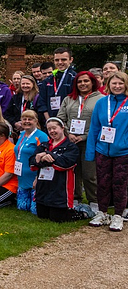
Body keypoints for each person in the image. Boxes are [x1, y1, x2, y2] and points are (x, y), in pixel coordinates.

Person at [86, 71, 128, 231]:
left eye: (120, 83)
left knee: (120, 184)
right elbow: (94, 128)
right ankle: (102, 212)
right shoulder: (102, 103)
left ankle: (118, 215)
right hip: (102, 149)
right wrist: (90, 152)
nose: (117, 86)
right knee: (102, 183)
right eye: (114, 83)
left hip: (123, 151)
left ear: (125, 84)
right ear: (108, 85)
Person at [57, 71, 101, 210]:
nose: (83, 84)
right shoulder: (69, 99)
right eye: (80, 82)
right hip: (71, 141)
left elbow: (102, 122)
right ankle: (75, 198)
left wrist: (84, 136)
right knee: (73, 172)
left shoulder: (101, 99)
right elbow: (60, 119)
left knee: (89, 173)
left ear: (92, 82)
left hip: (90, 141)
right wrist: (68, 133)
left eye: (86, 81)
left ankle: (94, 201)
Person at [30, 118, 83, 222]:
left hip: (60, 190)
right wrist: (44, 158)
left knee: (57, 218)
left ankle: (83, 212)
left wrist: (47, 155)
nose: (52, 131)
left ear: (62, 128)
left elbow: (65, 164)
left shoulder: (71, 147)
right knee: (42, 216)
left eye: (54, 128)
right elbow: (32, 161)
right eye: (49, 129)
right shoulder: (44, 145)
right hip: (43, 189)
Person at [13, 110, 48, 215]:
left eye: (30, 119)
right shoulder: (22, 135)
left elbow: (45, 158)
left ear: (36, 121)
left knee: (35, 211)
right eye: (24, 119)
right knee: (22, 208)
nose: (27, 121)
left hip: (34, 178)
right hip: (22, 177)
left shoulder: (41, 136)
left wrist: (38, 177)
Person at [37, 47, 77, 120]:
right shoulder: (48, 80)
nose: (60, 62)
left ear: (71, 60)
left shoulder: (75, 78)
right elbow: (42, 102)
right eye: (57, 60)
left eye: (63, 59)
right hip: (50, 120)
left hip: (68, 120)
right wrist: (49, 120)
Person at [4, 74, 39, 139]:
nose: (25, 86)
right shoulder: (15, 98)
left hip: (33, 131)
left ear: (33, 84)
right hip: (18, 132)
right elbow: (8, 114)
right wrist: (15, 123)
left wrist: (27, 123)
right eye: (23, 84)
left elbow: (40, 115)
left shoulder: (37, 98)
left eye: (28, 84)